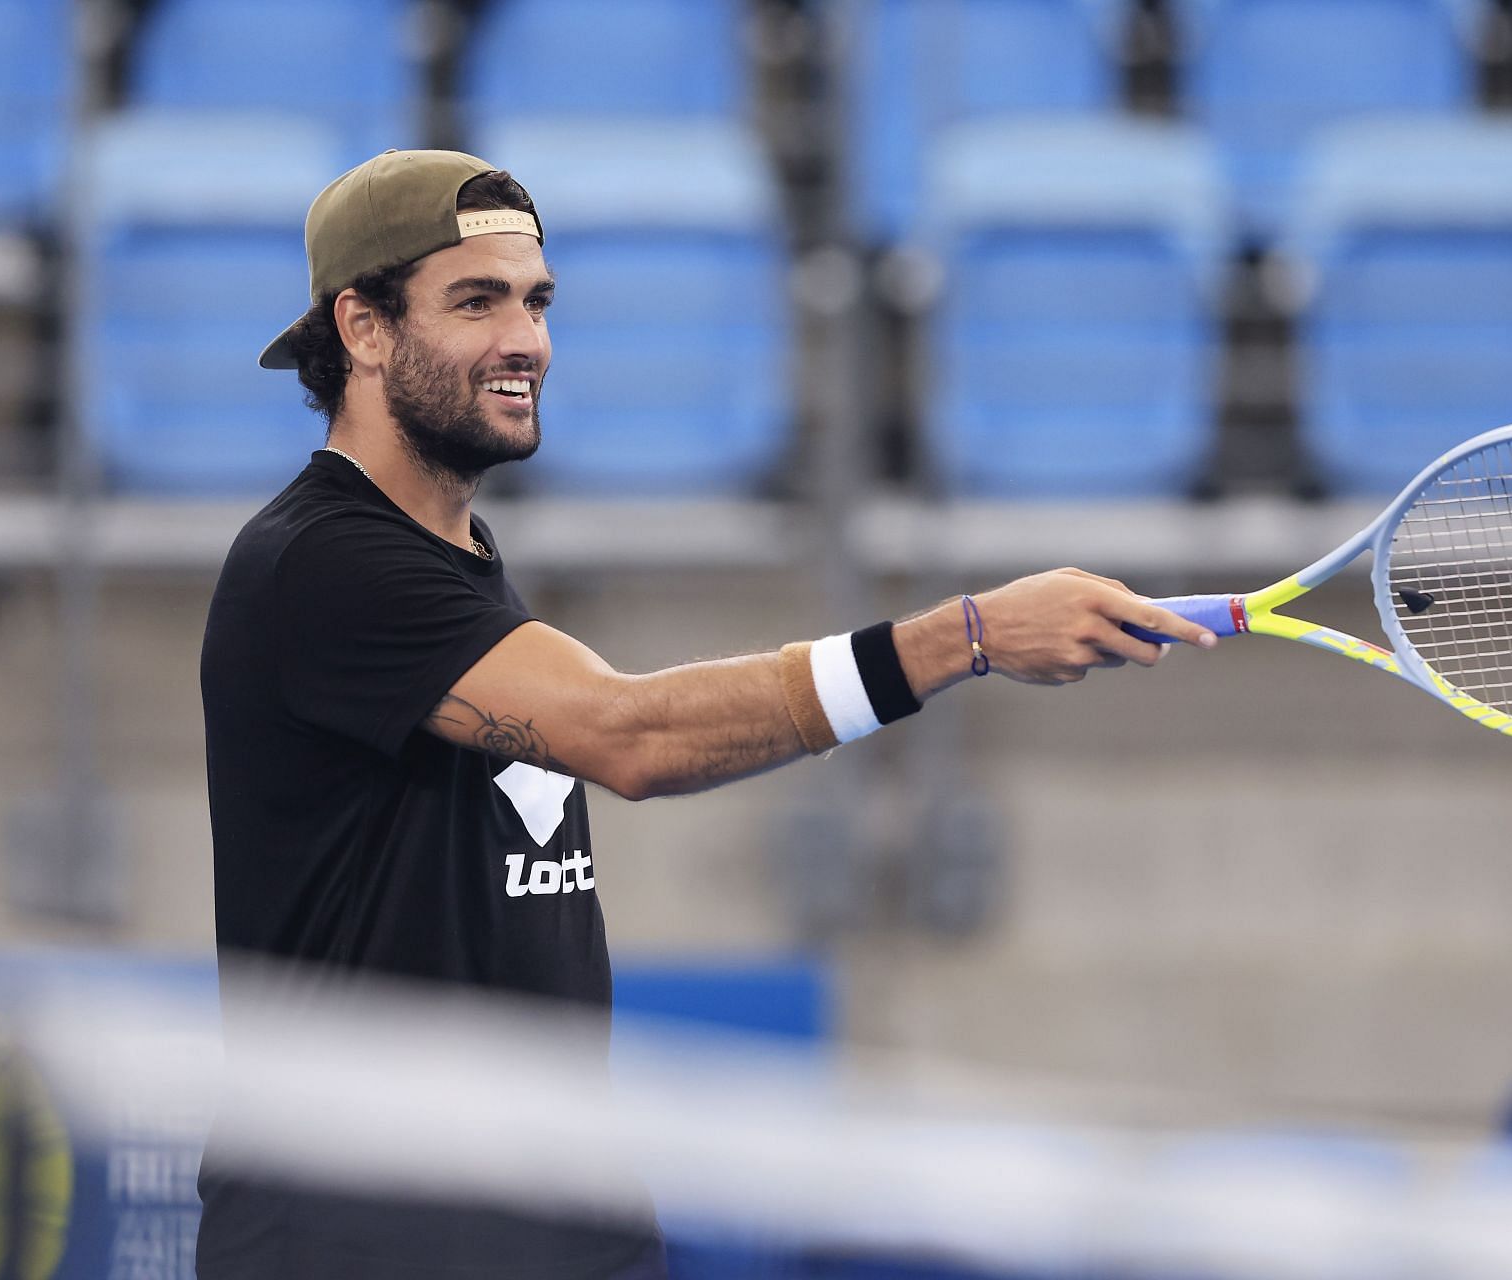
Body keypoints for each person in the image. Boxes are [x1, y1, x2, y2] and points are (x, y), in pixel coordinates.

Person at [196, 149, 1217, 1279]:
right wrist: (959, 638)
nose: (524, 339)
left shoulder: (454, 558)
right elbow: (630, 734)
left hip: (553, 1217)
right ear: (364, 329)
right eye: (474, 301)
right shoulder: (321, 564)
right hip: (362, 1236)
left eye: (536, 300)